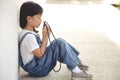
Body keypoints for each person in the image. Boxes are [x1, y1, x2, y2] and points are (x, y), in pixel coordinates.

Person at [18, 1, 92, 79]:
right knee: (59, 43)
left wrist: (46, 36)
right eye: (39, 17)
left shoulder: (29, 33)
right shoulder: (29, 37)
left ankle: (75, 63)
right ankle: (76, 70)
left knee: (59, 42)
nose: (41, 20)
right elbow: (39, 54)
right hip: (38, 69)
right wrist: (45, 37)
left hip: (38, 65)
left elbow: (40, 53)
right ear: (29, 18)